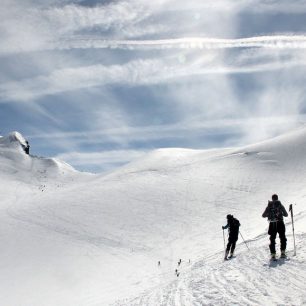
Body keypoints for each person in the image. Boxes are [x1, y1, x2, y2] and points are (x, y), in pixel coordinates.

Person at [262, 194, 288, 259]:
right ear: (277, 198)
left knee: (272, 239)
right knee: (282, 237)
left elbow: (263, 215)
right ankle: (283, 252)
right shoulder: (280, 205)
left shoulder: (269, 206)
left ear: (272, 198)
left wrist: (269, 215)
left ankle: (273, 254)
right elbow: (286, 214)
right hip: (280, 223)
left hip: (272, 224)